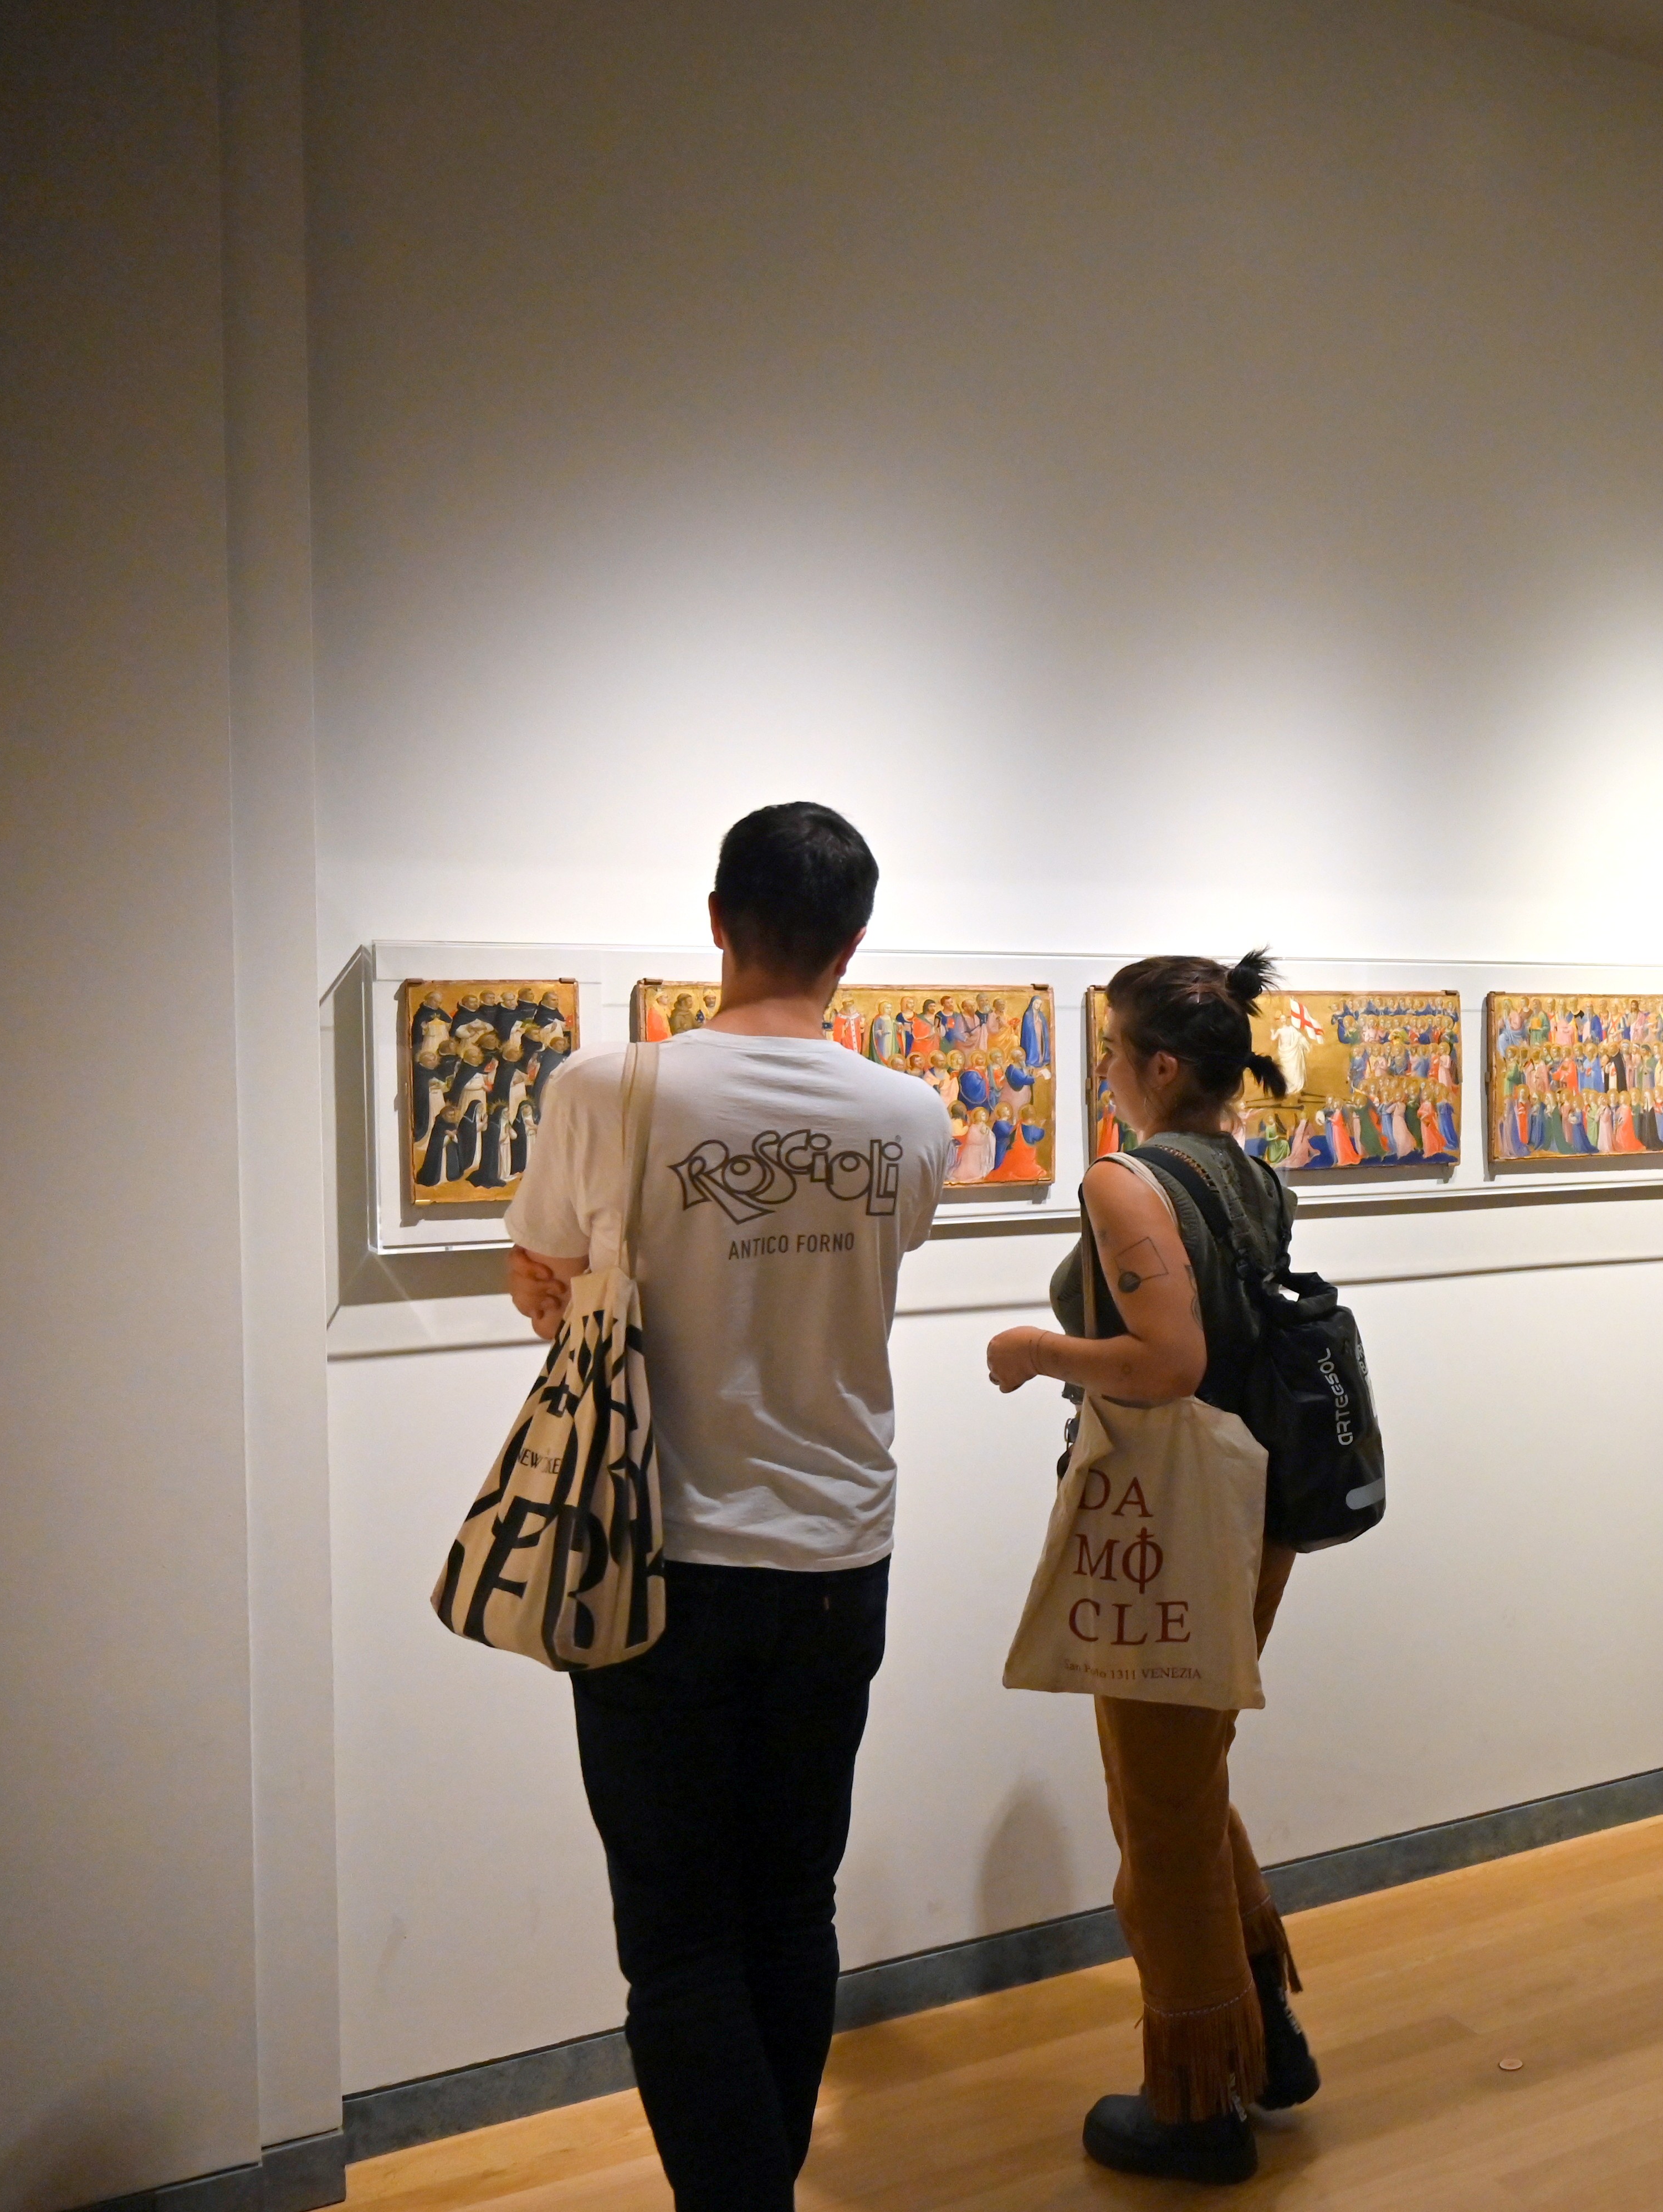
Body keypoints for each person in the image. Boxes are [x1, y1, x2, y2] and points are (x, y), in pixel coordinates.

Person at [505, 804, 954, 2210]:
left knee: (680, 1936)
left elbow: (543, 1277)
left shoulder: (605, 1086)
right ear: (854, 943)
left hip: (655, 1552)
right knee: (792, 1904)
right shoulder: (913, 1112)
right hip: (840, 1553)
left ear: (716, 918)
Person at [983, 950, 1316, 2188]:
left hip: (1168, 1524)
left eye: (1114, 1052)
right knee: (1189, 1773)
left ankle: (1197, 2103)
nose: (1106, 1073)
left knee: (1158, 1815)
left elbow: (1168, 1361)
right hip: (1252, 1513)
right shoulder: (1250, 1172)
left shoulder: (1125, 1180)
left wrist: (1035, 1348)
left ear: (1162, 1065)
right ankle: (1262, 2033)